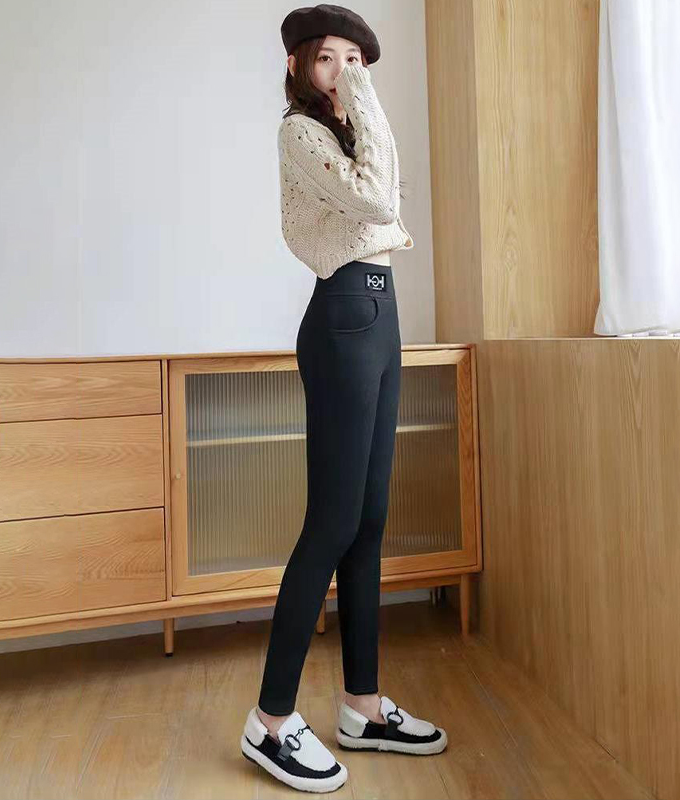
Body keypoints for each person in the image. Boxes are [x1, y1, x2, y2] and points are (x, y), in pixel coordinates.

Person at [239, 4, 447, 793]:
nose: (344, 72)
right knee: (330, 522)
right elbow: (378, 201)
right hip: (343, 317)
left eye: (356, 60)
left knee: (368, 519)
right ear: (297, 64)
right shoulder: (300, 134)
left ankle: (362, 704)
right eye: (329, 57)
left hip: (379, 314)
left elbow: (381, 196)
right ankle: (270, 721)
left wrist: (360, 105)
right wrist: (366, 99)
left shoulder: (347, 132)